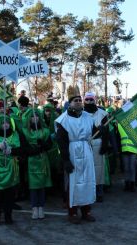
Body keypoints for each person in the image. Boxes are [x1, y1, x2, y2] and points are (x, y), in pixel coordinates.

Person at [55, 85, 97, 224]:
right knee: (73, 183)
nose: (79, 102)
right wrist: (66, 160)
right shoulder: (63, 120)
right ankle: (72, 212)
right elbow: (61, 142)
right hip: (72, 151)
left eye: (80, 99)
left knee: (87, 181)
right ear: (70, 103)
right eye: (76, 100)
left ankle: (86, 211)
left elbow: (95, 131)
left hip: (86, 150)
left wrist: (102, 130)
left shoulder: (87, 117)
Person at [0, 115, 25, 225]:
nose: (5, 124)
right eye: (2, 123)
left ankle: (8, 217)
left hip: (11, 169)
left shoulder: (15, 135)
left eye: (7, 122)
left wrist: (11, 151)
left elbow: (22, 150)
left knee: (9, 195)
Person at [22, 108, 52, 219]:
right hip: (31, 161)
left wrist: (42, 144)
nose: (35, 118)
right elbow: (24, 148)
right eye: (32, 116)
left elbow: (50, 145)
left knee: (42, 185)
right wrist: (35, 149)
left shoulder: (45, 131)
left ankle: (41, 207)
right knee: (33, 186)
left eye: (37, 116)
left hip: (43, 161)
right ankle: (34, 207)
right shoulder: (25, 131)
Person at [83, 92, 109, 202]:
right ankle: (88, 192)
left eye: (91, 99)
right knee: (87, 169)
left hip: (98, 143)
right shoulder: (81, 114)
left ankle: (99, 192)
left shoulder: (103, 114)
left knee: (99, 169)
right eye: (87, 99)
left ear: (95, 100)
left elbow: (107, 132)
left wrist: (104, 145)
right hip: (86, 143)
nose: (89, 101)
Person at [117, 123, 137, 192]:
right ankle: (127, 184)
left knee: (131, 168)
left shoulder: (135, 124)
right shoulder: (120, 125)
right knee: (126, 168)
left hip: (133, 150)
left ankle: (132, 184)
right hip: (124, 150)